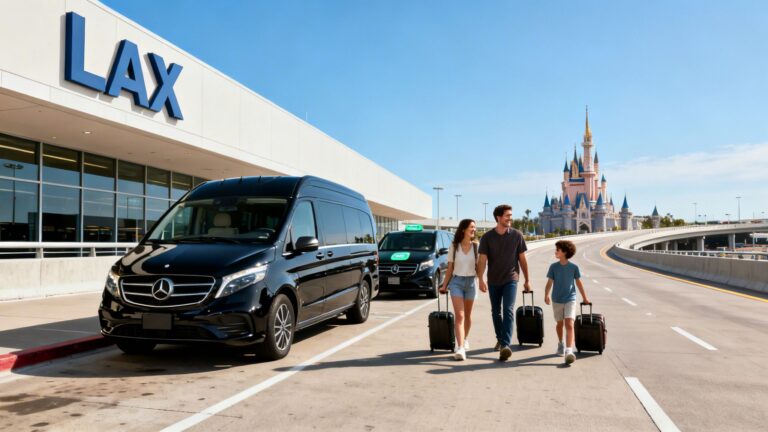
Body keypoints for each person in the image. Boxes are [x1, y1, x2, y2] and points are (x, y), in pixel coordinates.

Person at [477, 204, 531, 361]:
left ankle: (505, 345)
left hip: (511, 278)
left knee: (508, 309)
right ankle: (500, 339)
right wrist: (480, 279)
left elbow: (522, 259)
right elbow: (482, 260)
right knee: (496, 311)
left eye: (511, 216)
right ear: (498, 217)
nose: (510, 218)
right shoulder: (487, 237)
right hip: (493, 280)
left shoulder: (517, 235)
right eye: (507, 216)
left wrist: (527, 280)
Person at [544, 240, 589, 364]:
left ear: (564, 252)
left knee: (569, 324)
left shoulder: (574, 267)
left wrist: (584, 297)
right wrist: (546, 295)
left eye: (557, 250)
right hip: (557, 299)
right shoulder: (553, 267)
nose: (555, 252)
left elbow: (578, 283)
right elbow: (549, 283)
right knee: (559, 324)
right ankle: (561, 344)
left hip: (570, 299)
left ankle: (569, 351)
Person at [440, 219, 479, 361]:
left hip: (471, 283)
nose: (474, 229)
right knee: (460, 316)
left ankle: (465, 338)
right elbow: (450, 268)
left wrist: (482, 281)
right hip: (456, 282)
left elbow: (480, 267)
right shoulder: (454, 246)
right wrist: (444, 285)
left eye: (474, 227)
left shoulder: (476, 246)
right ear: (463, 229)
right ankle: (461, 347)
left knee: (467, 315)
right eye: (471, 227)